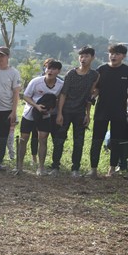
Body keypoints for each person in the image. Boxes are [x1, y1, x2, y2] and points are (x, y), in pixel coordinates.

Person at [52, 46, 100, 176]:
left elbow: (90, 95)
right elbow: (63, 94)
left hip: (80, 112)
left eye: (86, 56)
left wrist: (87, 114)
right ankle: (55, 166)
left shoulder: (94, 75)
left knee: (79, 141)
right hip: (66, 110)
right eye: (81, 56)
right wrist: (60, 113)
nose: (83, 59)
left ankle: (75, 168)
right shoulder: (71, 74)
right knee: (59, 139)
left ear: (92, 58)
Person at [90, 44, 128, 177]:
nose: (113, 56)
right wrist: (93, 96)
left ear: (123, 56)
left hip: (119, 111)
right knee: (97, 140)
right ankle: (93, 169)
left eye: (117, 54)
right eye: (111, 53)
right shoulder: (101, 69)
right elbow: (97, 88)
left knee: (116, 141)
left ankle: (112, 168)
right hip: (101, 110)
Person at [17, 59, 62, 175]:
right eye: (48, 68)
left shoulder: (61, 85)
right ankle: (19, 167)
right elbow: (26, 96)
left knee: (43, 138)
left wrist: (53, 108)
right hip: (30, 113)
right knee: (24, 139)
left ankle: (41, 168)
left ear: (58, 71)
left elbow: (61, 99)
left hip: (46, 115)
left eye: (53, 69)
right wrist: (36, 106)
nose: (50, 71)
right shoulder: (36, 82)